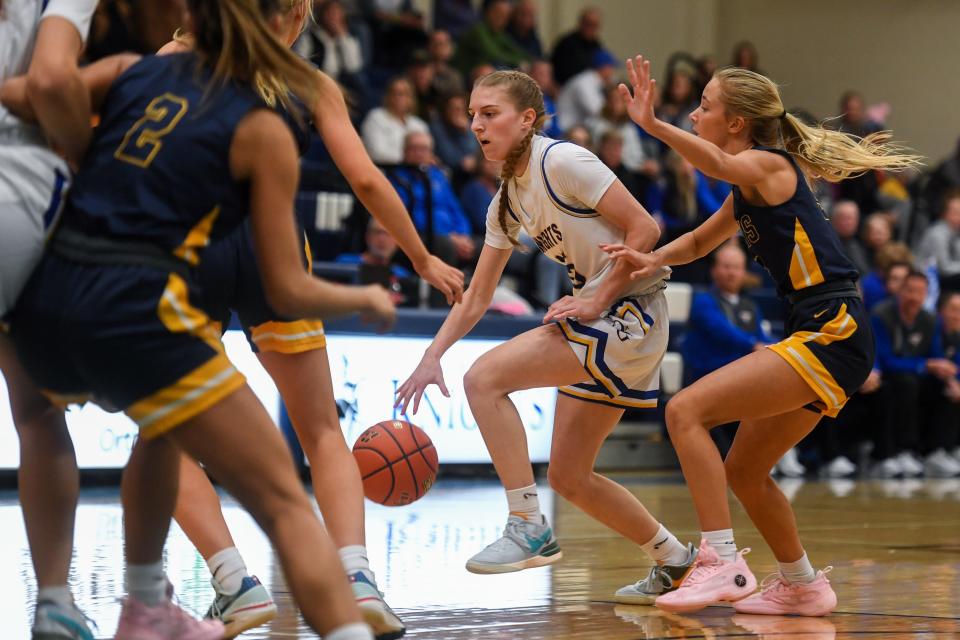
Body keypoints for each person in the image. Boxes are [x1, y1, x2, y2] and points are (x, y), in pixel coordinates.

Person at [8, 1, 401, 638]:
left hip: (48, 297)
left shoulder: (135, 68)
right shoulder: (270, 121)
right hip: (140, 305)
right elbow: (287, 284)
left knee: (84, 427)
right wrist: (366, 298)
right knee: (282, 496)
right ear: (292, 19)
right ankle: (337, 592)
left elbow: (41, 93)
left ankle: (98, 601)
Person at [156, 3, 464, 637]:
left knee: (165, 435)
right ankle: (357, 581)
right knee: (323, 430)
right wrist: (422, 256)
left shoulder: (174, 57)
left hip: (191, 243)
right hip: (274, 241)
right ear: (297, 14)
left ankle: (235, 584)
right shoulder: (309, 79)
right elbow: (369, 181)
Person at [604, 55, 920, 616]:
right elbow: (701, 243)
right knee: (744, 471)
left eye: (705, 105)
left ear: (735, 124)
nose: (696, 112)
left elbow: (715, 165)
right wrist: (646, 257)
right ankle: (802, 584)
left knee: (685, 412)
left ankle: (720, 560)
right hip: (824, 330)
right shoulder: (747, 183)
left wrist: (653, 126)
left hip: (833, 327)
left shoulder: (770, 167)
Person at [395, 70, 698, 606]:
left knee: (484, 380)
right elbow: (477, 295)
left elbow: (646, 231)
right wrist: (430, 355)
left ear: (528, 118)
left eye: (490, 113)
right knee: (570, 475)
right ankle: (678, 561)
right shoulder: (507, 201)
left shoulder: (563, 161)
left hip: (630, 311)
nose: (476, 125)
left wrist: (595, 299)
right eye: (471, 115)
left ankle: (526, 525)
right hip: (603, 313)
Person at [0, 2, 98, 638]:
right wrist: (88, 149)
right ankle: (57, 601)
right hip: (15, 186)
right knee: (39, 412)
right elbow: (53, 82)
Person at [681, 242, 773, 457]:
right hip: (709, 374)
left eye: (736, 267)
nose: (731, 273)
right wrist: (753, 345)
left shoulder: (750, 306)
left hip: (742, 377)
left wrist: (777, 347)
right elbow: (721, 330)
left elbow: (763, 337)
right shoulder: (703, 301)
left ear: (744, 272)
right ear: (714, 270)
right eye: (726, 266)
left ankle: (776, 455)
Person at [361, 76, 428, 164]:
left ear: (411, 98)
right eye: (395, 93)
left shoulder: (419, 124)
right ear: (388, 96)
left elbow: (427, 151)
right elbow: (375, 152)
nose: (398, 97)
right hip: (385, 171)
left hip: (415, 172)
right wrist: (410, 159)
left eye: (404, 94)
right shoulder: (375, 117)